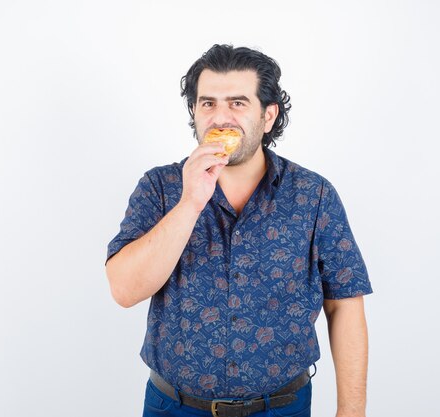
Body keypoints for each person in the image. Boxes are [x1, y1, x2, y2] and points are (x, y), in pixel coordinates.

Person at [105, 44, 373, 417]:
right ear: (195, 113)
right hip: (175, 407)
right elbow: (124, 290)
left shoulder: (313, 195)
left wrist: (352, 413)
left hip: (281, 407)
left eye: (238, 103)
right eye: (208, 103)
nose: (220, 118)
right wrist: (190, 204)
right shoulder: (161, 187)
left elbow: (344, 304)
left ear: (268, 115)